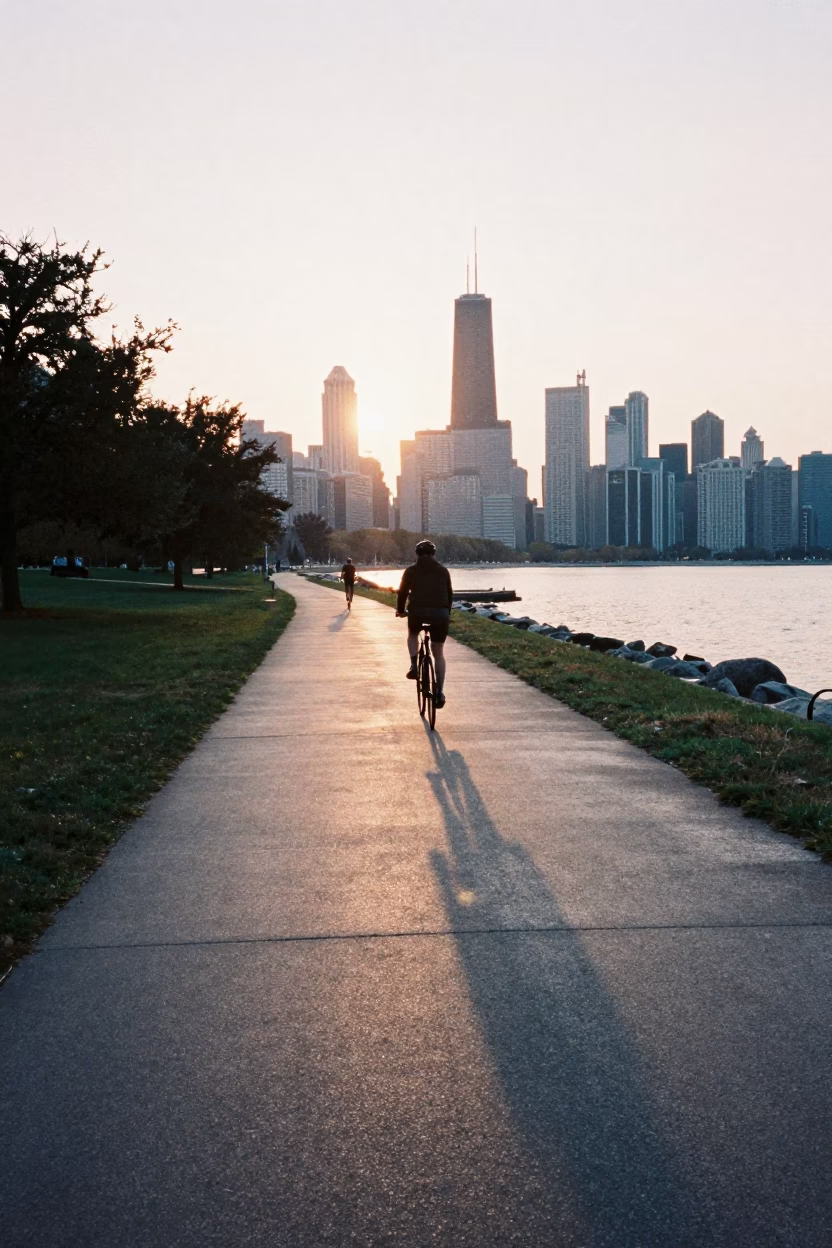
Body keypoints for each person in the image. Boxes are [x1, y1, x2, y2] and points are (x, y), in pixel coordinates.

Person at [396, 540, 453, 709]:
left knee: (413, 634)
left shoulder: (411, 571)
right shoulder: (443, 571)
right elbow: (449, 595)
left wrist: (400, 610)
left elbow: (403, 592)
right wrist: (446, 613)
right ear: (433, 554)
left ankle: (414, 665)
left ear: (417, 554)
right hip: (440, 614)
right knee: (439, 653)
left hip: (417, 612)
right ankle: (439, 693)